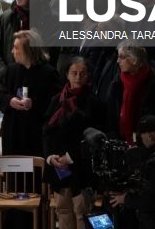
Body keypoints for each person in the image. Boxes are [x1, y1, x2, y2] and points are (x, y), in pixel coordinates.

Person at [43, 56, 104, 229]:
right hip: (59, 166)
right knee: (63, 210)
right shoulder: (56, 100)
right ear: (67, 75)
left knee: (82, 212)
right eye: (74, 73)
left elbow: (94, 138)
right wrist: (50, 157)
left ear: (88, 76)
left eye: (82, 73)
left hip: (82, 167)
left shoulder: (94, 103)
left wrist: (70, 157)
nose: (78, 77)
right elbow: (46, 132)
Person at [0, 30, 60, 156]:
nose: (12, 51)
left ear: (28, 50)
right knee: (13, 174)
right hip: (13, 133)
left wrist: (33, 103)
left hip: (36, 134)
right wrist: (10, 101)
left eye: (16, 48)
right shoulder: (11, 70)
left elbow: (56, 103)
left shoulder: (49, 73)